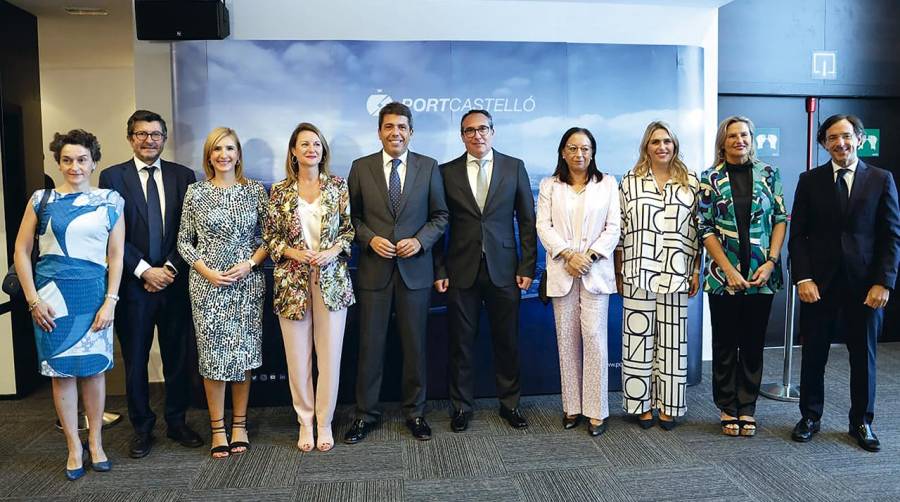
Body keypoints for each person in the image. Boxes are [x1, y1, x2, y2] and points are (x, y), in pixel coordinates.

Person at [14, 129, 124, 479]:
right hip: (50, 300)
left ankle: (96, 442)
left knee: (93, 371)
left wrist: (111, 301)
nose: (74, 166)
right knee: (61, 375)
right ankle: (74, 447)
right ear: (58, 162)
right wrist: (32, 299)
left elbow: (117, 255)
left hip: (94, 296)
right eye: (67, 160)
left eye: (81, 159)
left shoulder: (110, 200)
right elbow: (21, 250)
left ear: (94, 161)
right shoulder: (41, 199)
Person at [789, 114, 900, 452]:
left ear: (859, 139)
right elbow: (798, 237)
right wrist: (803, 278)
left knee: (863, 356)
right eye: (833, 138)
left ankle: (861, 422)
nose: (840, 143)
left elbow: (891, 237)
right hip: (818, 285)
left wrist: (884, 282)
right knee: (814, 355)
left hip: (865, 286)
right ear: (824, 144)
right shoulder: (809, 180)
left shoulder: (881, 179)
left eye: (847, 136)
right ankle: (810, 416)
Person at [99, 110, 201, 458]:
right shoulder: (112, 177)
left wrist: (170, 267)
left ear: (164, 138)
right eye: (141, 134)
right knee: (137, 360)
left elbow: (189, 230)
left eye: (155, 134)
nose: (149, 140)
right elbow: (112, 233)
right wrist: (144, 270)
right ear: (130, 138)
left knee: (177, 357)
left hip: (174, 283)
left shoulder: (183, 176)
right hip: (134, 287)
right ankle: (142, 428)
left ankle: (176, 422)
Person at [344, 102, 448, 443]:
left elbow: (440, 217)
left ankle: (415, 414)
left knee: (415, 347)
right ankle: (365, 415)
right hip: (374, 272)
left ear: (411, 132)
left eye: (402, 127)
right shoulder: (360, 168)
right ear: (379, 132)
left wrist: (420, 242)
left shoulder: (429, 167)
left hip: (415, 273)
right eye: (389, 127)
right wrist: (370, 239)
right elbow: (352, 220)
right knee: (370, 347)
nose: (396, 133)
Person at [433, 110, 537, 432]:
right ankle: (461, 407)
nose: (477, 135)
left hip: (505, 270)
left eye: (482, 129)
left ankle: (510, 404)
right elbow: (438, 222)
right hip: (460, 270)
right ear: (461, 135)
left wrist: (527, 266)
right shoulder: (445, 172)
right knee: (461, 344)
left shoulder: (513, 166)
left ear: (493, 131)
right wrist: (439, 269)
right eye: (469, 131)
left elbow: (527, 221)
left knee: (507, 341)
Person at [263, 123, 355, 452]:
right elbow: (271, 237)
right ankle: (304, 422)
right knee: (298, 358)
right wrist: (292, 252)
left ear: (323, 151)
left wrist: (332, 251)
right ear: (293, 151)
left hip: (331, 280)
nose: (311, 149)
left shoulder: (338, 186)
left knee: (329, 357)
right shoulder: (279, 191)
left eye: (316, 144)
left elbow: (348, 231)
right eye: (304, 144)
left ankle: (325, 421)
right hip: (292, 281)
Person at [177, 127, 268, 458]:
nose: (224, 155)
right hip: (207, 286)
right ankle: (218, 428)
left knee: (242, 356)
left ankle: (239, 425)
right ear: (209, 156)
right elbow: (184, 241)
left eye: (230, 148)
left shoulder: (256, 191)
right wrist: (206, 272)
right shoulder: (195, 193)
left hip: (247, 284)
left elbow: (268, 238)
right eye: (217, 149)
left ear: (239, 154)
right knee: (213, 359)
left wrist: (249, 265)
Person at [698, 115, 787, 437]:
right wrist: (728, 269)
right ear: (723, 142)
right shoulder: (709, 178)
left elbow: (780, 217)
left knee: (752, 343)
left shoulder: (768, 174)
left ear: (752, 138)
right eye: (733, 135)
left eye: (745, 134)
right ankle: (726, 406)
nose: (740, 140)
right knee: (725, 343)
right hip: (723, 278)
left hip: (762, 275)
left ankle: (747, 407)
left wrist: (772, 262)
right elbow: (704, 228)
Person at [614, 121, 700, 430]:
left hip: (677, 272)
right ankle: (641, 405)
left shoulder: (691, 182)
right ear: (646, 147)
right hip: (638, 271)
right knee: (638, 339)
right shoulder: (629, 182)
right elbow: (620, 231)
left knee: (673, 342)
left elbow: (698, 231)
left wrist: (694, 270)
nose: (662, 146)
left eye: (667, 141)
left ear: (675, 146)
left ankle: (670, 406)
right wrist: (619, 273)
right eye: (655, 142)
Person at [536, 127, 620, 437]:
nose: (579, 154)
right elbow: (543, 226)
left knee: (595, 339)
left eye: (585, 148)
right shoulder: (550, 186)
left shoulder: (608, 184)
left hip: (595, 272)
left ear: (593, 152)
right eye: (572, 148)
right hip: (563, 271)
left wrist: (590, 257)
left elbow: (613, 228)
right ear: (563, 151)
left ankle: (597, 411)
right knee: (566, 340)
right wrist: (569, 254)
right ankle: (572, 406)